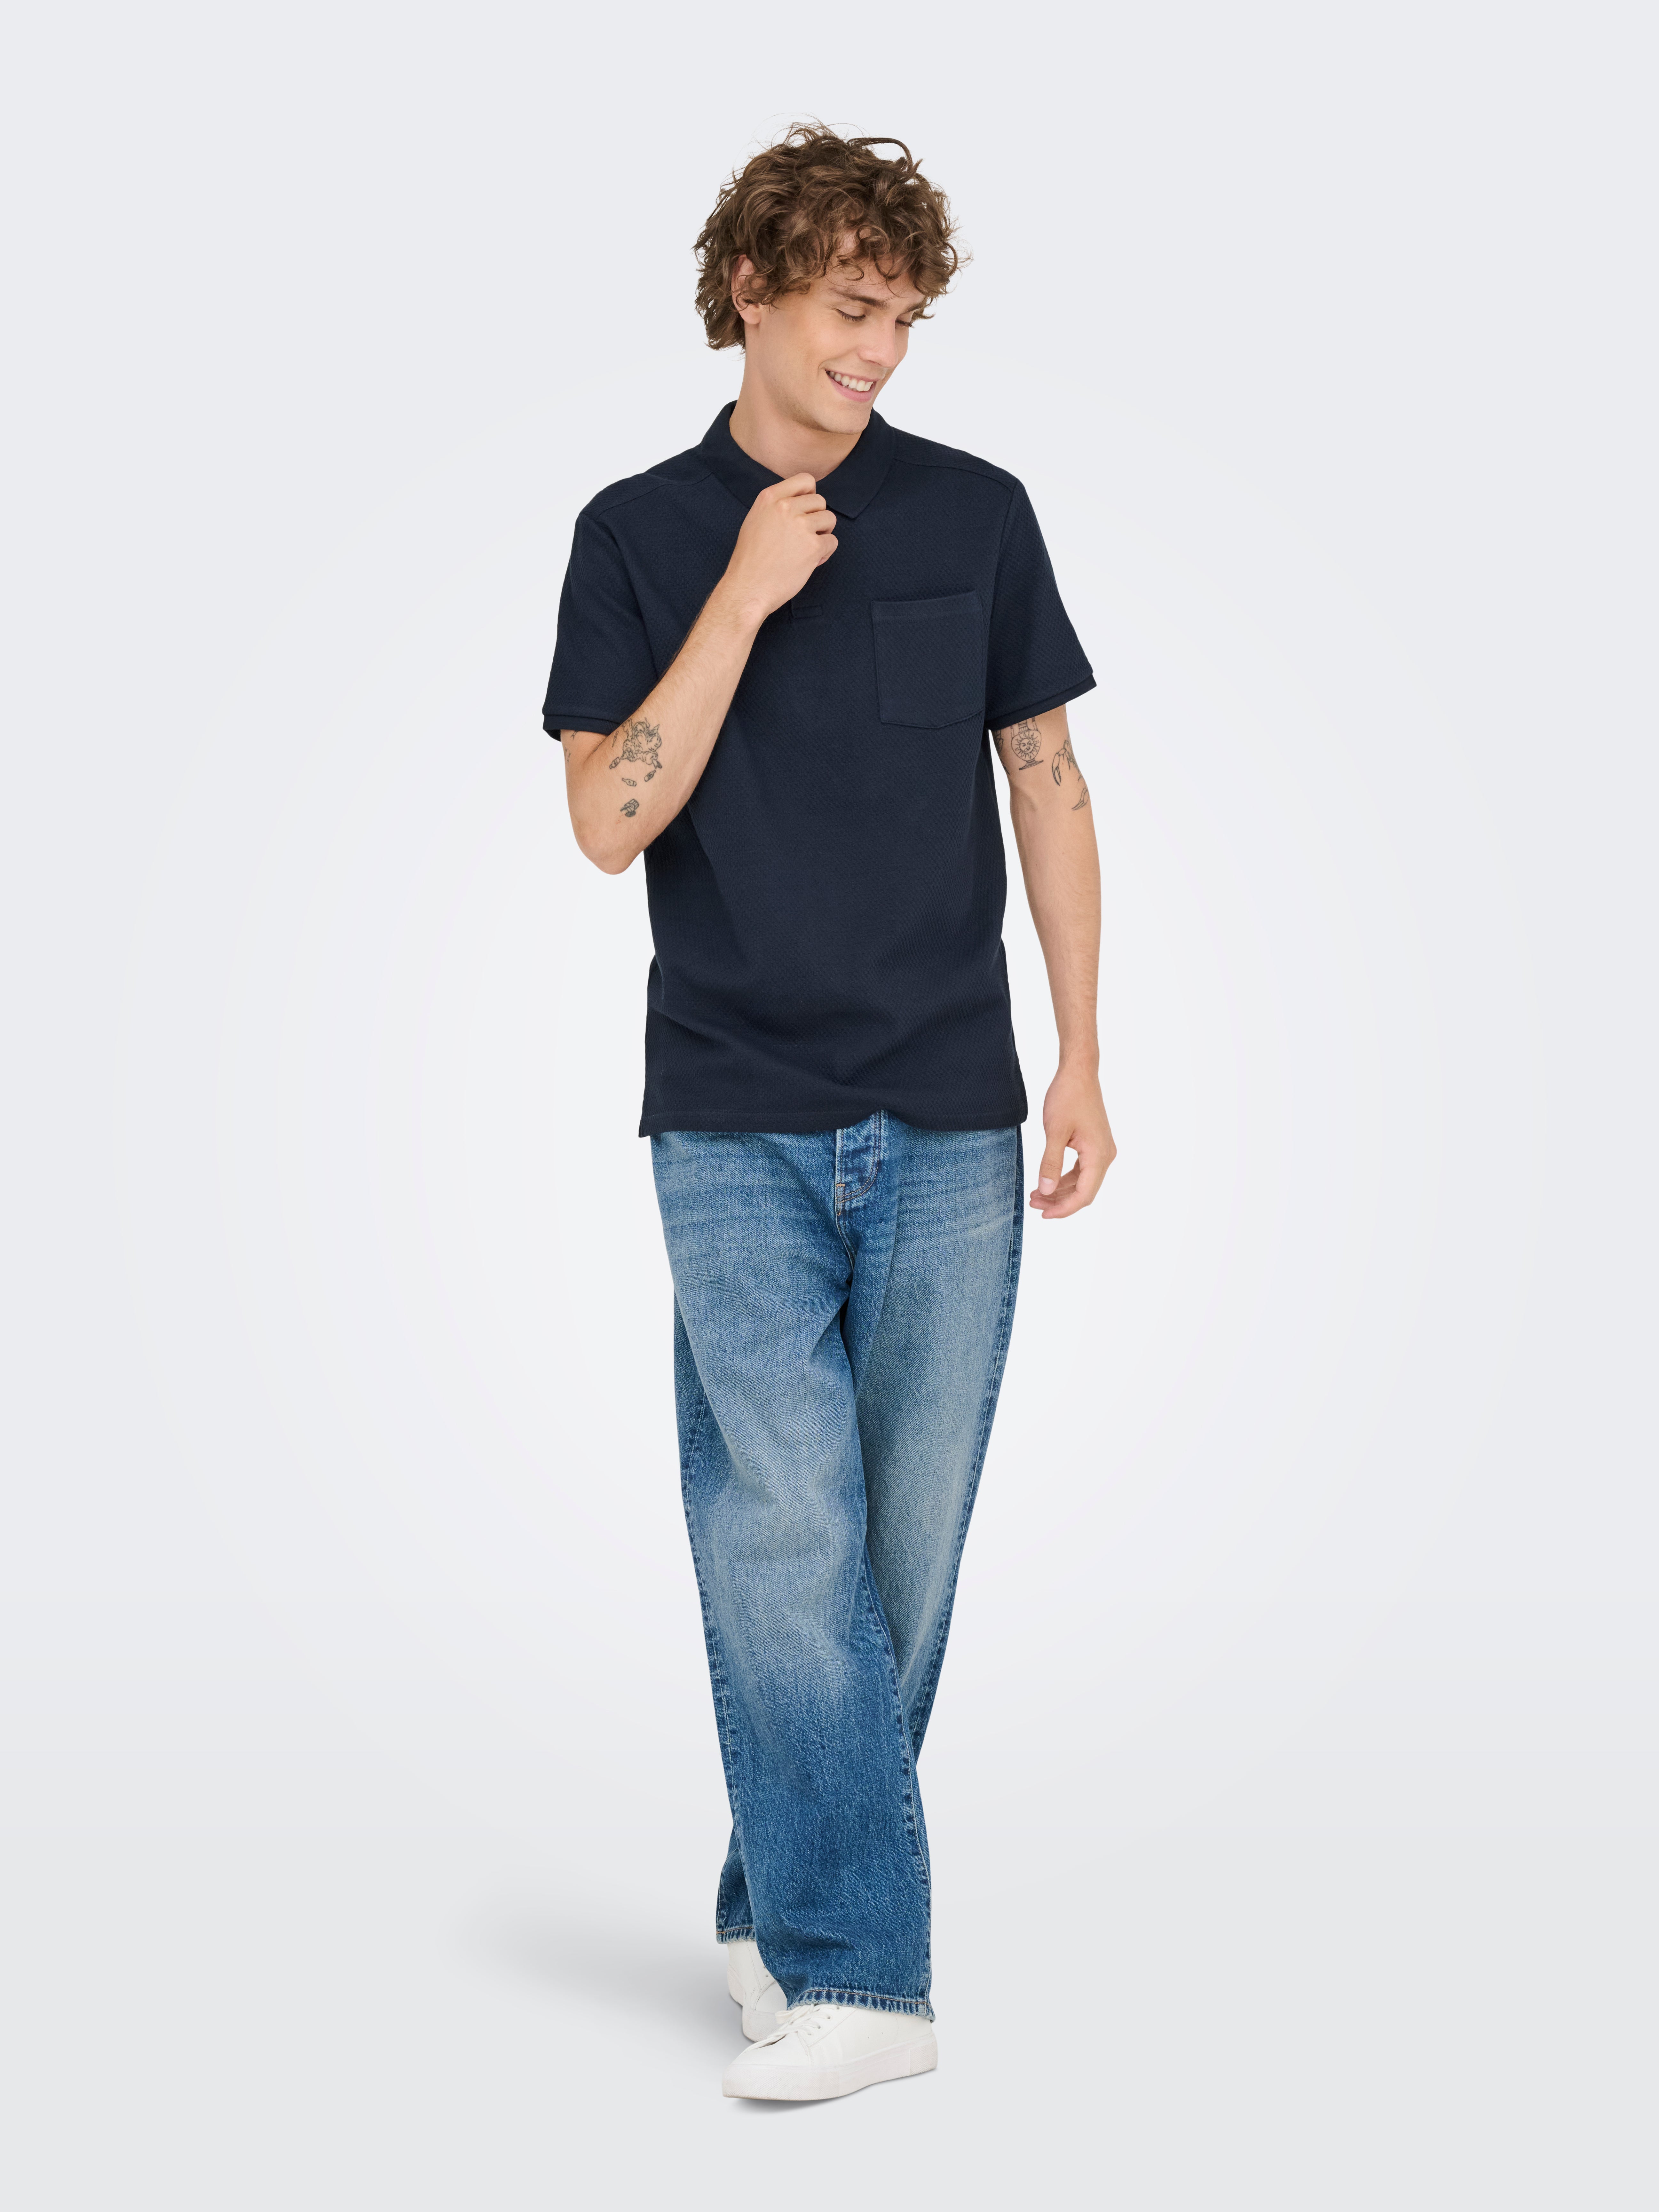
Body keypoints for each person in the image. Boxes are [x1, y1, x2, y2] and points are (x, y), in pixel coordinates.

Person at [542, 124, 1115, 2102]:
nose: (878, 348)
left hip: (951, 1108)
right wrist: (740, 592)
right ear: (752, 293)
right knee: (780, 1527)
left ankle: (771, 1899)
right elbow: (603, 823)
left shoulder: (976, 512)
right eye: (852, 307)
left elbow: (1046, 780)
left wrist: (1083, 1053)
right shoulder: (636, 533)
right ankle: (870, 1982)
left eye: (905, 317)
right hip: (730, 1107)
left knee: (897, 1556)